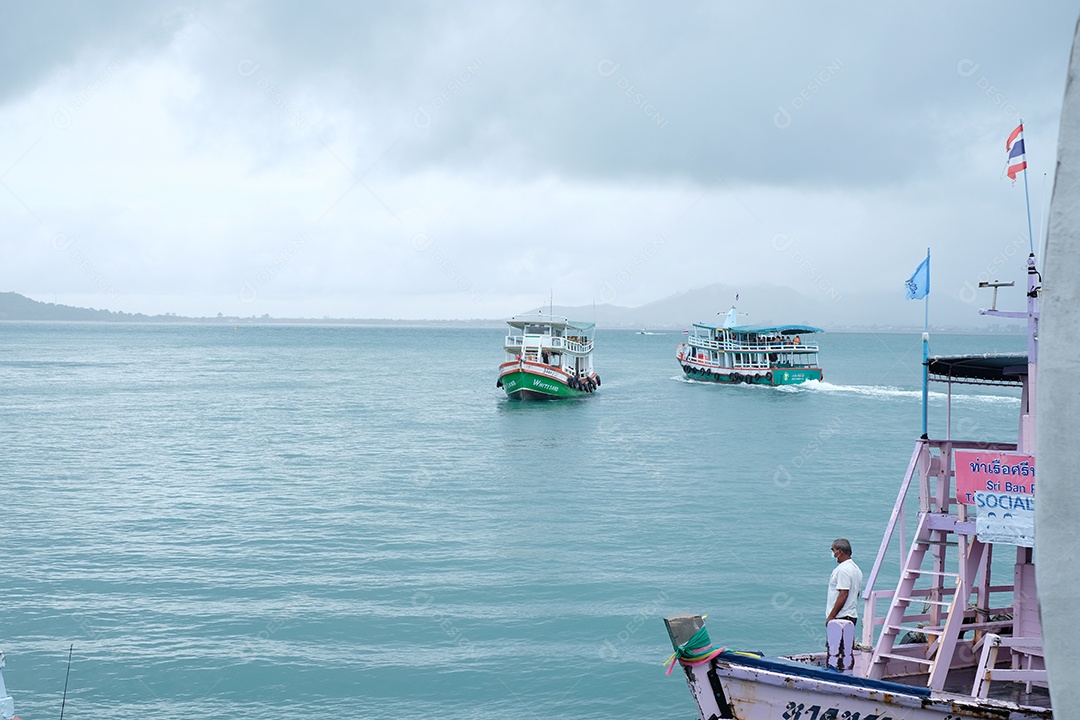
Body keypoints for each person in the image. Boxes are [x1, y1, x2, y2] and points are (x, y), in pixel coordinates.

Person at [826, 538, 863, 626]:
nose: (833, 554)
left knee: (836, 640)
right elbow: (856, 593)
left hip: (840, 618)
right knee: (847, 640)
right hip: (850, 615)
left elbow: (843, 594)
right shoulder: (856, 569)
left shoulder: (843, 570)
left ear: (840, 552)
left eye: (833, 550)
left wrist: (831, 616)